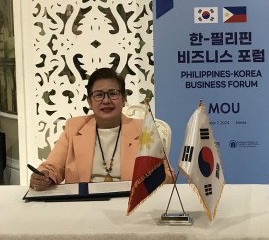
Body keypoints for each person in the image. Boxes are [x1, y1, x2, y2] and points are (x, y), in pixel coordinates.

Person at [30, 68, 174, 190]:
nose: (106, 101)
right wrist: (43, 177)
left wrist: (154, 179)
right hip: (83, 203)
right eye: (99, 95)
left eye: (113, 94)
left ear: (124, 98)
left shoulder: (144, 130)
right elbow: (51, 168)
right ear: (89, 102)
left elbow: (168, 175)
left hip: (129, 203)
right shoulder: (73, 128)